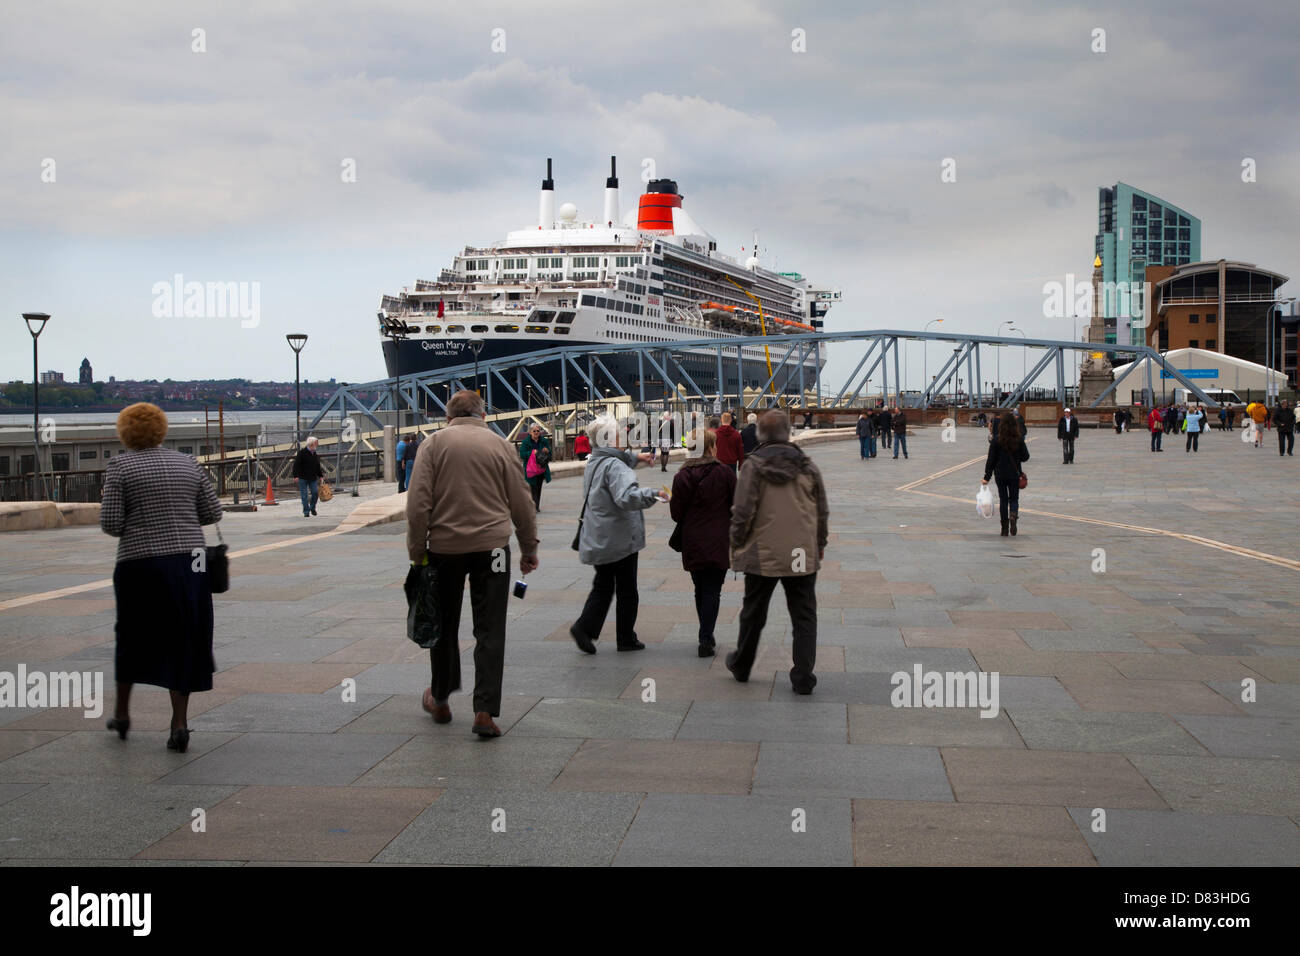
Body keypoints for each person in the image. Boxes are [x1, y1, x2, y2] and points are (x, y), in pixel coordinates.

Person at [406, 390, 539, 738]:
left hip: (445, 550)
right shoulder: (500, 445)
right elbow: (521, 500)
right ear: (482, 415)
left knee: (444, 625)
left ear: (449, 416)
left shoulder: (432, 445)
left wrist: (417, 552)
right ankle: (484, 712)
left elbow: (418, 503)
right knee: (491, 628)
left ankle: (441, 699)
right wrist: (528, 548)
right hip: (493, 548)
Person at [100, 402, 222, 754]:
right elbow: (212, 512)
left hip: (140, 565)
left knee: (131, 634)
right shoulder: (187, 463)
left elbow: (110, 525)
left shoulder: (121, 466)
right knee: (183, 636)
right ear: (161, 429)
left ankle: (122, 715)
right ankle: (179, 723)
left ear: (125, 432)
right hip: (190, 564)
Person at [726, 410, 828, 694]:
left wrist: (736, 542)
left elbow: (742, 511)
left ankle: (742, 664)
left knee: (753, 612)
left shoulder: (752, 466)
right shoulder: (808, 466)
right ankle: (803, 677)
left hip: (763, 552)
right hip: (801, 554)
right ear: (789, 433)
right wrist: (819, 544)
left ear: (760, 434)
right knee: (804, 615)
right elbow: (822, 510)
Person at [569, 415, 665, 654]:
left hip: (600, 535)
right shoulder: (616, 467)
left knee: (602, 585)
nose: (625, 437)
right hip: (619, 538)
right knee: (627, 590)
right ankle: (625, 637)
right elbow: (627, 497)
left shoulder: (595, 461)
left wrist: (636, 457)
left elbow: (615, 462)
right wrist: (654, 494)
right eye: (620, 435)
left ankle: (584, 627)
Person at [670, 428, 736, 658]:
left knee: (700, 588)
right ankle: (706, 637)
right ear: (710, 447)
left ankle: (705, 634)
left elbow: (676, 514)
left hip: (693, 540)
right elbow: (735, 505)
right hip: (719, 539)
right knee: (713, 590)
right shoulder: (725, 473)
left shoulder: (681, 477)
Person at [982, 412, 1030, 537]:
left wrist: (987, 477)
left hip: (1000, 474)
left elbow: (991, 460)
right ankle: (1013, 515)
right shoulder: (1018, 439)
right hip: (1014, 474)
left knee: (1003, 500)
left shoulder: (996, 440)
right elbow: (1026, 457)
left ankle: (1004, 527)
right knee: (1014, 498)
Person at [518, 423, 552, 512]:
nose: (536, 432)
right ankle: (532, 506)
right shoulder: (526, 442)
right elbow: (522, 454)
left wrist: (547, 451)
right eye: (534, 431)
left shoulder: (543, 441)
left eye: (538, 431)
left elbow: (550, 454)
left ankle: (536, 506)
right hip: (531, 469)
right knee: (532, 487)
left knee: (538, 487)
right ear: (530, 432)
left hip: (540, 468)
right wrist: (532, 453)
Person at [292, 436, 325, 517]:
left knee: (315, 493)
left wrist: (320, 476)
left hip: (313, 477)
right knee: (304, 495)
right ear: (311, 444)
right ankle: (306, 511)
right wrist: (295, 476)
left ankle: (312, 507)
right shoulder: (302, 453)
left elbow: (317, 465)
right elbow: (296, 465)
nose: (317, 444)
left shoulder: (314, 453)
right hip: (302, 477)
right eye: (316, 443)